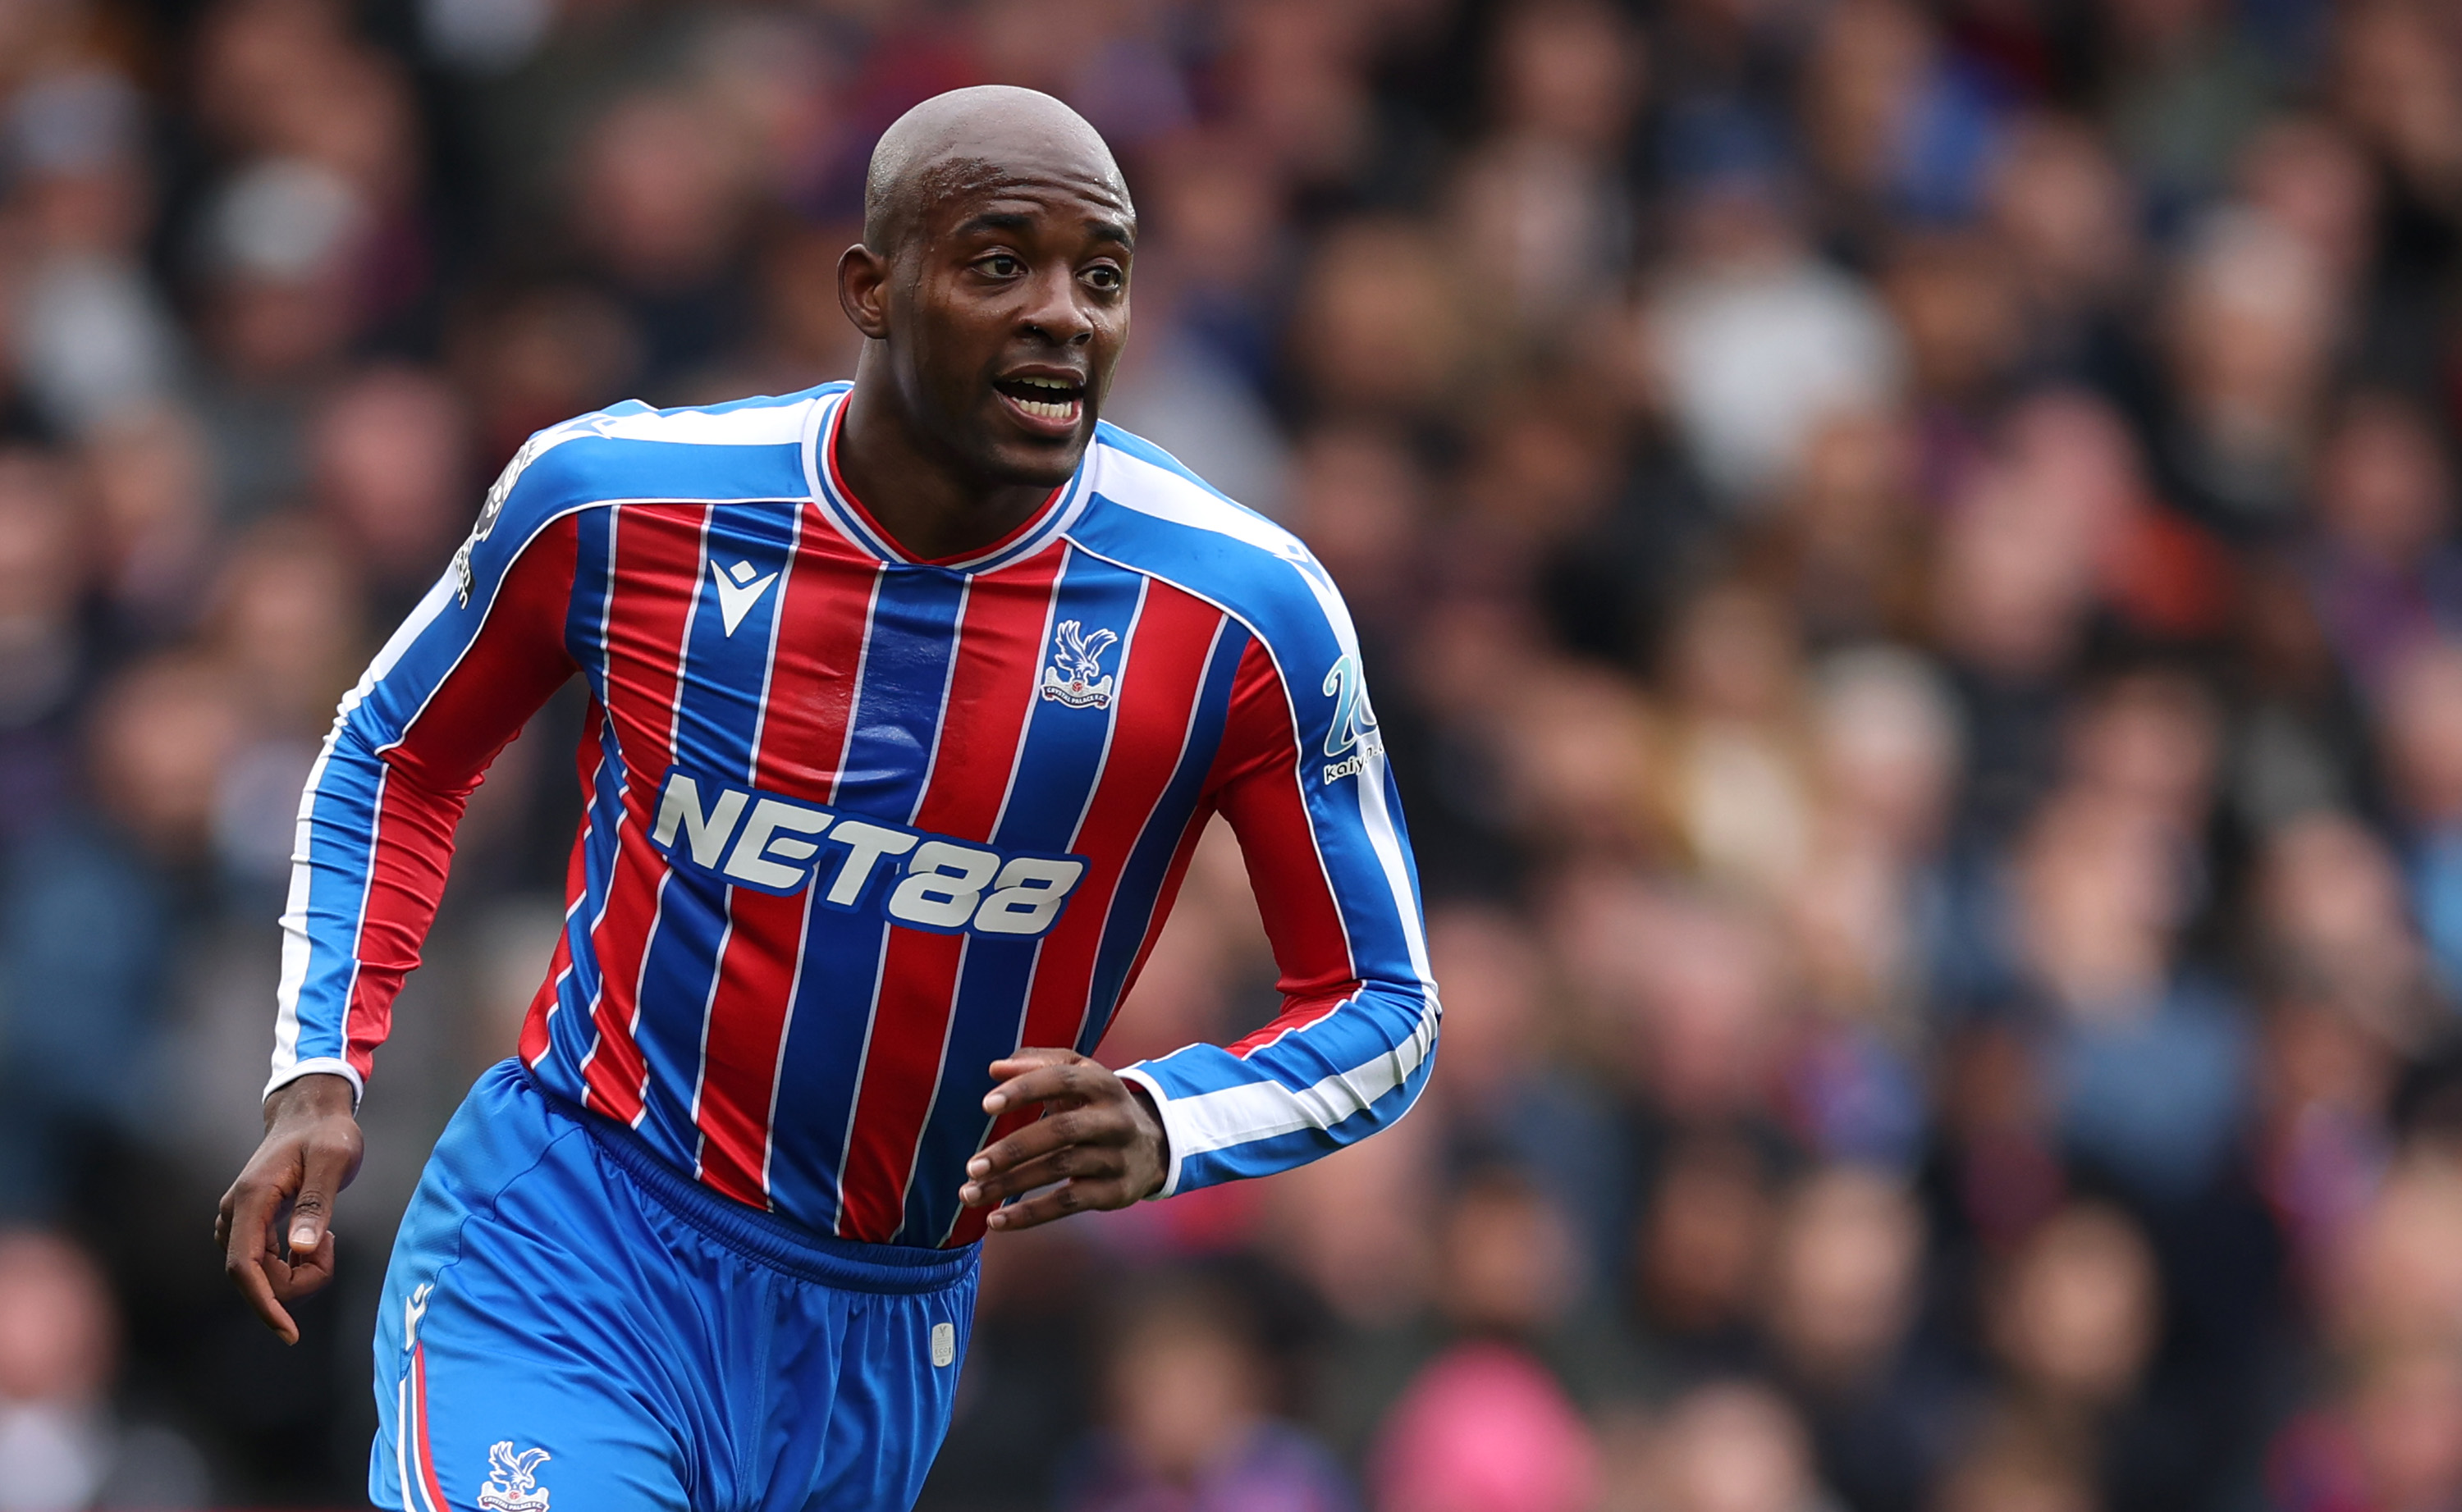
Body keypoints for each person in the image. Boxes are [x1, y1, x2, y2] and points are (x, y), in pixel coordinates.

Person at [213, 86, 1439, 1512]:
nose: (1063, 316)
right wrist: (320, 1069)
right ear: (870, 286)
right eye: (998, 264)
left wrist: (1172, 1122)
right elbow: (394, 751)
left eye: (1100, 277)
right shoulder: (619, 502)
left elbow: (1383, 1002)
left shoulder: (1241, 616)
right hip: (572, 1235)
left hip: (878, 1327)